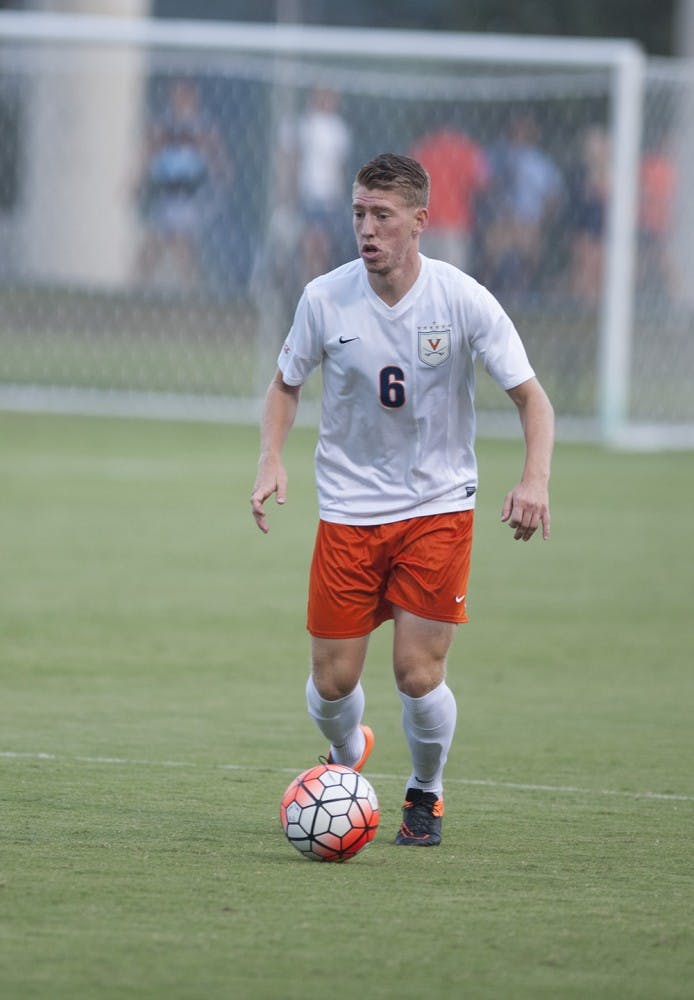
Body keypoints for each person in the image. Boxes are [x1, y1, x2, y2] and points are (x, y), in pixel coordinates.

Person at [251, 153, 554, 847]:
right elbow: (285, 383)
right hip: (350, 511)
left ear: (420, 221)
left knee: (417, 673)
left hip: (436, 506)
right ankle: (349, 752)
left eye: (382, 216)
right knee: (331, 684)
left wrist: (533, 479)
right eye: (359, 213)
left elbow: (532, 398)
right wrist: (271, 457)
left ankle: (426, 792)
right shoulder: (325, 297)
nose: (366, 229)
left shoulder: (461, 299)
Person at [136, 78, 232, 292]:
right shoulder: (165, 126)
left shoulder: (202, 128)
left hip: (188, 197)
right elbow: (149, 154)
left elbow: (217, 161)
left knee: (184, 250)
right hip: (166, 196)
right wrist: (137, 183)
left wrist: (219, 178)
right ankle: (138, 292)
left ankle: (191, 295)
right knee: (152, 249)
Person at [408, 124, 489, 273]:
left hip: (422, 222)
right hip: (454, 223)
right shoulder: (465, 149)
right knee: (451, 278)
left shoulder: (423, 148)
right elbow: (481, 184)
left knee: (421, 276)